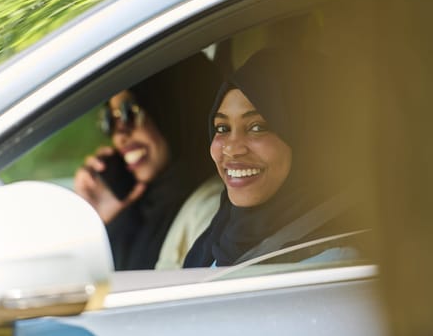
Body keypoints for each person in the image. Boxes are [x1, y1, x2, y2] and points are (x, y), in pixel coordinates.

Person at [183, 47, 373, 268]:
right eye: (223, 128)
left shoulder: (333, 261)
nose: (232, 149)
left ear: (309, 140)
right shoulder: (220, 236)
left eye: (257, 127)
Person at [74, 53, 221, 270]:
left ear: (174, 108)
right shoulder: (142, 209)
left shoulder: (212, 210)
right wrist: (102, 219)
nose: (119, 136)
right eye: (109, 120)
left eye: (128, 113)